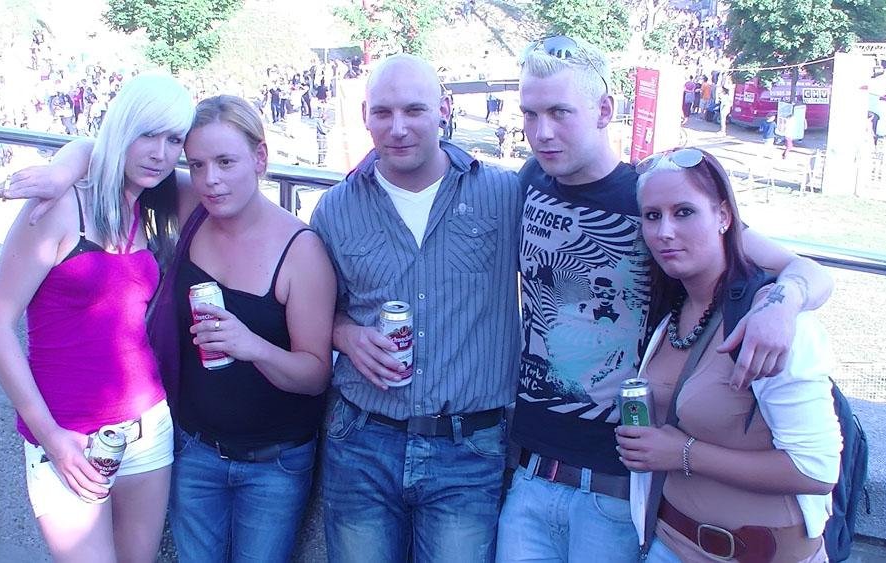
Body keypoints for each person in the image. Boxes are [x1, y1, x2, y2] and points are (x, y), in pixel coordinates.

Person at [496, 36, 833, 562]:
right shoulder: (532, 180)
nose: (542, 132)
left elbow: (804, 269)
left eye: (560, 112)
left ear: (604, 110)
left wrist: (782, 306)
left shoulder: (654, 201)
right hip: (530, 470)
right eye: (530, 114)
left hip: (615, 488)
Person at [309, 53, 522, 562]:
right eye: (383, 112)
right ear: (365, 115)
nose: (398, 128)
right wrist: (344, 334)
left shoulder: (504, 193)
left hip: (468, 450)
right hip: (362, 441)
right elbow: (314, 308)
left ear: (443, 109)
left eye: (414, 110)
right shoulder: (335, 208)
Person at [0, 73, 194, 563]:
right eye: (147, 133)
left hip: (148, 428)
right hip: (67, 435)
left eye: (174, 140)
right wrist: (51, 438)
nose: (160, 153)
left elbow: (229, 183)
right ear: (122, 127)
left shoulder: (147, 203)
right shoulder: (60, 207)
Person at [618, 147, 841, 562]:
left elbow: (816, 470)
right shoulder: (671, 311)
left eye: (684, 212)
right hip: (667, 544)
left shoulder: (769, 323)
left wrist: (683, 454)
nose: (665, 231)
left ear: (723, 216)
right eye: (652, 216)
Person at [149, 95, 336, 562]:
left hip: (274, 463)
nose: (211, 179)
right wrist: (60, 171)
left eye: (226, 161)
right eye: (197, 164)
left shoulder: (301, 250)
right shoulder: (194, 209)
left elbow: (315, 375)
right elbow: (119, 163)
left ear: (260, 158)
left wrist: (252, 346)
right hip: (194, 448)